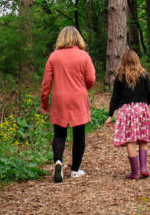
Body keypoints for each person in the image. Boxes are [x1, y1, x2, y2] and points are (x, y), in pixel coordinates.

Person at [41, 26, 96, 183]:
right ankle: (75, 170)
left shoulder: (53, 57)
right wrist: (85, 87)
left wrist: (44, 102)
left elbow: (46, 83)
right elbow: (91, 78)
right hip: (78, 98)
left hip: (60, 98)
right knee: (79, 134)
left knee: (59, 133)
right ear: (78, 38)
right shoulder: (84, 56)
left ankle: (58, 161)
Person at [105, 49, 150, 179]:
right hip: (141, 109)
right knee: (143, 139)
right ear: (136, 60)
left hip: (126, 111)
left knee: (130, 141)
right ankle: (144, 168)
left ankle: (134, 172)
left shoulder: (120, 77)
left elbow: (115, 97)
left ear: (123, 62)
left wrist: (110, 115)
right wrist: (146, 103)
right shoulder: (144, 75)